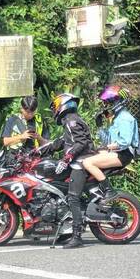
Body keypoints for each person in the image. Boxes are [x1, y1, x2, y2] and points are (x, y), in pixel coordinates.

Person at [48, 92, 95, 249]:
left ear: (63, 105)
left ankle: (77, 236)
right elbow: (63, 142)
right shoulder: (69, 121)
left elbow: (80, 143)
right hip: (77, 162)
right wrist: (38, 151)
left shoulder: (72, 121)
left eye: (55, 106)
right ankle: (65, 231)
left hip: (81, 162)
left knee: (73, 197)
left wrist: (66, 159)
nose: (55, 109)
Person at [82, 85, 139, 201]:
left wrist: (106, 147)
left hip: (123, 154)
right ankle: (93, 190)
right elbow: (108, 140)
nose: (106, 105)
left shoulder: (125, 118)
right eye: (106, 103)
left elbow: (125, 142)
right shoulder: (116, 118)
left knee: (88, 163)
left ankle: (109, 191)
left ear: (119, 101)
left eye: (109, 102)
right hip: (117, 152)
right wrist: (100, 127)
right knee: (87, 156)